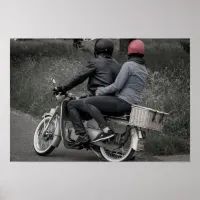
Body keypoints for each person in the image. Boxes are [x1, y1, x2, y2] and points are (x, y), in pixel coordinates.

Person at [55, 39, 121, 145]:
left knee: (71, 104)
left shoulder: (95, 62)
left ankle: (82, 135)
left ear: (96, 49)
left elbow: (80, 77)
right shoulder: (116, 64)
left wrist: (64, 88)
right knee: (82, 99)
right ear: (110, 50)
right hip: (112, 100)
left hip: (98, 97)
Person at [83, 39, 149, 143]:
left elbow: (117, 86)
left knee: (88, 102)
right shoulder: (144, 69)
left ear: (129, 52)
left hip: (122, 102)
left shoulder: (128, 65)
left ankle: (105, 130)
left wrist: (101, 91)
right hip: (134, 105)